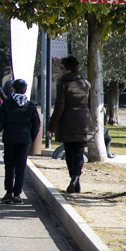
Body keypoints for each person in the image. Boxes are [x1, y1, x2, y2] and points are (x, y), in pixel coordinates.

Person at [0, 79, 40, 204]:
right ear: (25, 91)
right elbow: (36, 124)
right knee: (20, 167)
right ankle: (17, 194)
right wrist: (31, 138)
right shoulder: (31, 105)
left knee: (9, 166)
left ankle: (8, 193)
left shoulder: (7, 104)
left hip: (10, 139)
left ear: (13, 89)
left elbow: (1, 123)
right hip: (24, 140)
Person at [47, 56, 93, 194]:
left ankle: (73, 178)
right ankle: (76, 178)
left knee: (70, 153)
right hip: (83, 123)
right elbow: (89, 106)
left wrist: (51, 127)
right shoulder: (86, 84)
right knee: (79, 153)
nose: (60, 71)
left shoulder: (63, 84)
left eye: (61, 68)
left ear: (68, 70)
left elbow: (59, 108)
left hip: (67, 124)